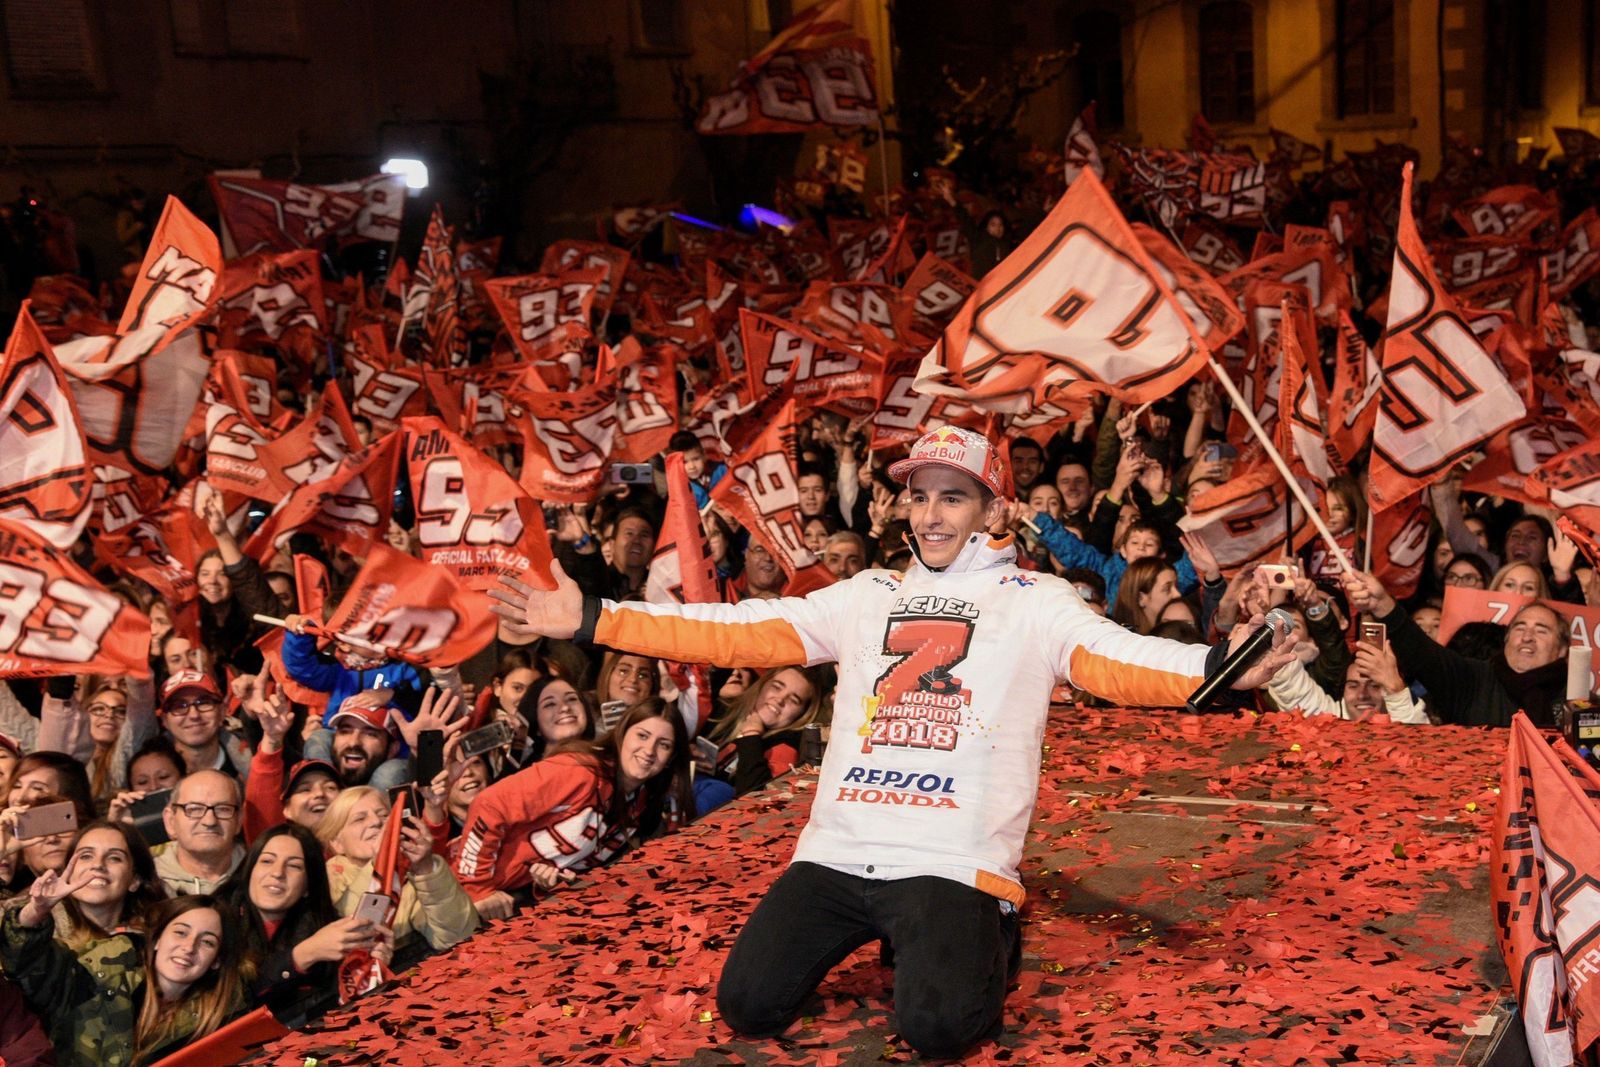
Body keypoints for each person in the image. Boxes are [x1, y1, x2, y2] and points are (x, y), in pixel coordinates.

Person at [489, 425, 1293, 1059]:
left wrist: (1219, 666)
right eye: (921, 497)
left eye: (954, 497)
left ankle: (993, 923)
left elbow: (1120, 659)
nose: (932, 514)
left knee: (940, 1028)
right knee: (748, 1005)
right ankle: (896, 929)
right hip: (839, 847)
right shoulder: (866, 594)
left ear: (990, 510)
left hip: (949, 856)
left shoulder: (1035, 598)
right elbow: (735, 627)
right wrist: (591, 617)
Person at [450, 700, 693, 905]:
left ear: (671, 758)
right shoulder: (581, 771)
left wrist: (550, 885)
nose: (649, 750)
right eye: (642, 735)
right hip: (458, 896)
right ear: (621, 734)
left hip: (512, 901)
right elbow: (489, 804)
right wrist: (477, 890)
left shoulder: (639, 804)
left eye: (663, 745)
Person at [1, 880, 244, 1066]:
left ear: (217, 960)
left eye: (207, 942)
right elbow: (28, 964)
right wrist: (35, 913)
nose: (189, 947)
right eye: (180, 932)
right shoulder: (94, 972)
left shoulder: (224, 1018)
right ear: (157, 939)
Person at [1343, 570, 1568, 727]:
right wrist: (1382, 604)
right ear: (1507, 640)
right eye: (1519, 628)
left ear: (1562, 650)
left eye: (1541, 630)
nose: (1527, 637)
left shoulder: (1574, 699)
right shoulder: (1474, 679)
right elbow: (1423, 653)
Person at [222, 823, 392, 1014]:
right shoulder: (215, 922)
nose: (277, 873)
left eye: (294, 865)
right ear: (250, 870)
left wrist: (371, 971)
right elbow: (231, 1002)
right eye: (267, 861)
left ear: (308, 886)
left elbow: (344, 1010)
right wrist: (303, 955)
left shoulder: (329, 933)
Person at [316, 787, 478, 953]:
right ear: (336, 842)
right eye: (359, 819)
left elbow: (459, 937)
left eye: (384, 815)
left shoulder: (411, 878)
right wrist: (379, 864)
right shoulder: (324, 881)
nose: (376, 822)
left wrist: (425, 868)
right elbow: (353, 939)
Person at [154, 770, 245, 895]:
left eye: (223, 809)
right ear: (170, 821)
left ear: (239, 820)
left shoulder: (259, 877)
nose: (210, 821)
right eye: (194, 809)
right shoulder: (147, 883)